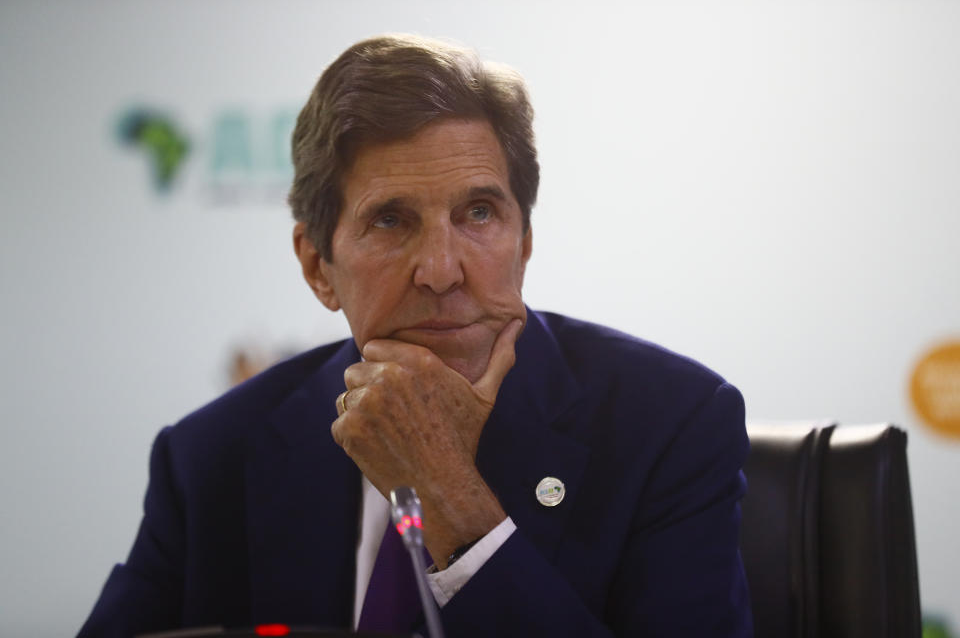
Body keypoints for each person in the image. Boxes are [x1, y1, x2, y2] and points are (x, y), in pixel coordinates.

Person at [80, 34, 752, 637]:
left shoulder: (670, 425)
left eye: (479, 212)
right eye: (392, 221)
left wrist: (449, 494)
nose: (441, 269)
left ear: (524, 244)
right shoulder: (212, 458)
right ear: (319, 266)